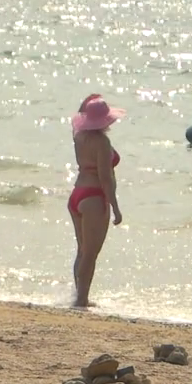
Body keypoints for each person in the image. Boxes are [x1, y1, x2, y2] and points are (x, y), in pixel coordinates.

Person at [68, 94, 125, 309]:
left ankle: (80, 295)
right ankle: (81, 299)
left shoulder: (79, 136)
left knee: (82, 251)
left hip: (78, 193)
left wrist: (87, 104)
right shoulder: (102, 142)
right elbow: (105, 177)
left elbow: (79, 116)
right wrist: (115, 207)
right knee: (90, 254)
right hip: (94, 196)